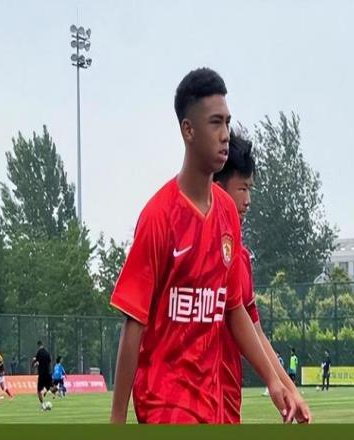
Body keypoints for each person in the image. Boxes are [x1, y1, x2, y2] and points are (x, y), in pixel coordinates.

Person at [110, 68, 294, 424]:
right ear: (188, 130)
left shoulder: (226, 214)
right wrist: (117, 418)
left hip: (212, 402)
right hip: (165, 402)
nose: (225, 135)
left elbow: (234, 308)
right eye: (215, 123)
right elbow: (134, 324)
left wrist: (274, 381)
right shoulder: (159, 216)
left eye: (227, 122)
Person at [213, 131, 310, 423]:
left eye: (250, 189)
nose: (248, 200)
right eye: (242, 189)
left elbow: (254, 330)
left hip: (227, 398)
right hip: (187, 398)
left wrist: (290, 390)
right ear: (218, 188)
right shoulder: (192, 246)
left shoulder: (240, 256)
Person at [32, 341, 54, 410]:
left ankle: (43, 404)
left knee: (39, 391)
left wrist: (34, 364)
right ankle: (50, 391)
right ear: (43, 345)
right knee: (49, 387)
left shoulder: (39, 353)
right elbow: (49, 362)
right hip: (48, 373)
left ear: (38, 346)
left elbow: (36, 362)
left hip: (41, 374)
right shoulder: (47, 353)